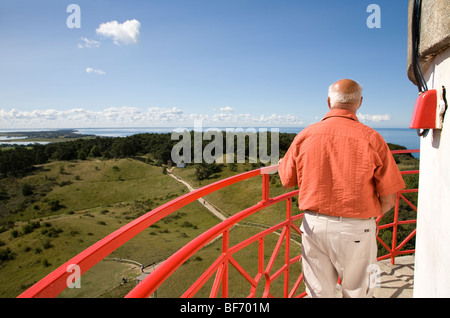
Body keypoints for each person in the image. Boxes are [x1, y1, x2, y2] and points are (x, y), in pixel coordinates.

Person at [278, 79, 405, 298]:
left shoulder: (305, 135)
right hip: (357, 227)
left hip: (313, 225)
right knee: (359, 292)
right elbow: (389, 197)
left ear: (329, 102)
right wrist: (371, 219)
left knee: (318, 292)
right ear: (360, 103)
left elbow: (287, 179)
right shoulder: (372, 138)